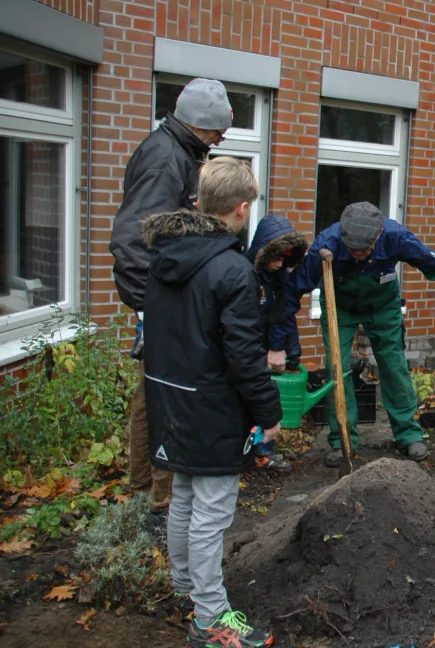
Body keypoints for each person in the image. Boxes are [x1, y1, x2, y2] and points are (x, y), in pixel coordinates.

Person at [142, 156, 280, 648]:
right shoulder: (232, 270)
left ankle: (185, 589)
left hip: (168, 399)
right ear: (242, 209)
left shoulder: (162, 257)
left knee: (183, 496)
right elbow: (244, 356)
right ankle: (210, 617)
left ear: (200, 202)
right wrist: (269, 413)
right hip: (213, 408)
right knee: (211, 513)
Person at [276, 202, 435, 464]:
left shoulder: (395, 236)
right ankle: (341, 440)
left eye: (364, 250)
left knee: (394, 366)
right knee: (337, 370)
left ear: (378, 235)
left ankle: (409, 435)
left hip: (383, 307)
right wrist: (281, 342)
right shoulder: (328, 242)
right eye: (352, 250)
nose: (358, 254)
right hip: (339, 307)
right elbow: (291, 292)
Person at [110, 78, 233, 524]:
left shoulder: (179, 151)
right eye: (218, 132)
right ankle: (156, 501)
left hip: (162, 300)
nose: (221, 139)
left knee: (155, 393)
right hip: (160, 304)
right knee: (162, 397)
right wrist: (151, 307)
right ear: (201, 126)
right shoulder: (167, 160)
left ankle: (150, 493)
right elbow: (130, 240)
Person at [245, 213, 309, 471]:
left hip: (267, 345)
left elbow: (283, 315)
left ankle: (263, 451)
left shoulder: (278, 277)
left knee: (268, 396)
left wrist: (287, 349)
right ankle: (248, 452)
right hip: (248, 346)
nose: (282, 262)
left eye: (286, 258)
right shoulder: (245, 274)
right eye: (278, 256)